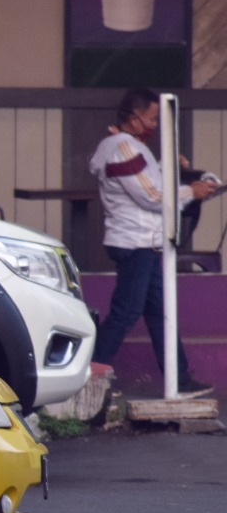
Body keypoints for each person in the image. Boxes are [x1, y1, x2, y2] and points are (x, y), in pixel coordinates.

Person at [88, 87, 217, 396]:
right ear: (134, 119)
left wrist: (168, 168)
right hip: (136, 242)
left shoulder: (122, 147)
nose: (156, 124)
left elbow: (144, 186)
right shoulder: (124, 147)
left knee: (160, 314)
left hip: (141, 241)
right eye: (152, 118)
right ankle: (89, 376)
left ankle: (180, 379)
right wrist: (191, 192)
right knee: (126, 312)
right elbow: (151, 196)